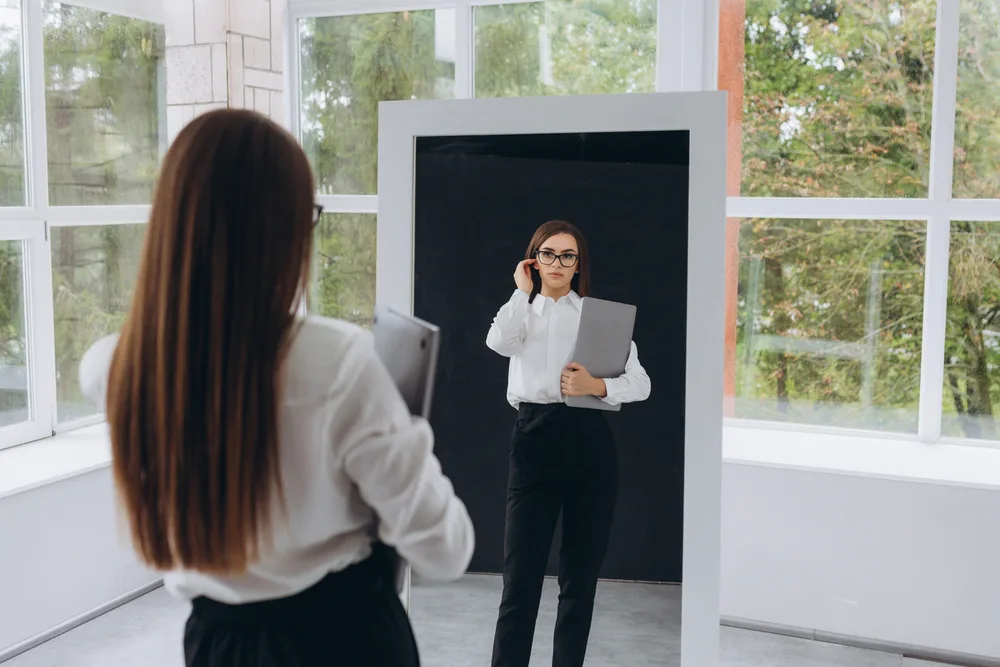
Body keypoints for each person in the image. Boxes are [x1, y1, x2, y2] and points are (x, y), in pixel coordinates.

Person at [78, 109, 474, 667]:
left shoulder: (109, 369)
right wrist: (402, 431)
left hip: (215, 646)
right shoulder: (337, 361)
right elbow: (446, 551)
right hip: (345, 642)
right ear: (279, 229)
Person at [487, 220, 651, 667]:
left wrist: (597, 385)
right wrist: (521, 292)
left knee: (579, 582)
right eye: (547, 254)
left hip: (590, 446)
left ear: (578, 265)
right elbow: (498, 343)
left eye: (567, 256)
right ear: (533, 260)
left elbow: (641, 383)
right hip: (533, 439)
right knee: (519, 581)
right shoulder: (521, 312)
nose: (557, 263)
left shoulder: (599, 317)